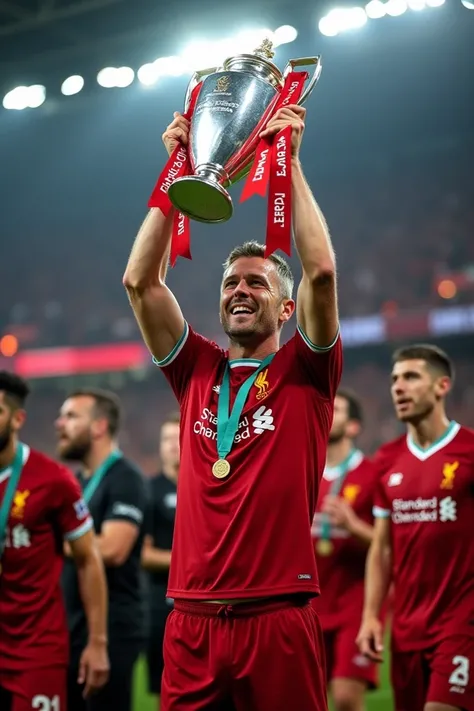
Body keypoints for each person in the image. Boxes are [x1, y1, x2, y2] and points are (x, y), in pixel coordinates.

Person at [123, 103, 342, 711]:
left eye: (257, 284)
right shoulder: (196, 369)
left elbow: (320, 271)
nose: (240, 291)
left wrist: (290, 163)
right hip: (190, 619)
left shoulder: (306, 371)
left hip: (276, 615)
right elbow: (141, 282)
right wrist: (177, 170)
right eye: (230, 284)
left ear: (285, 308)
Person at [357, 344, 474, 711]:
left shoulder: (470, 451)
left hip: (462, 622)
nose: (398, 388)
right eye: (394, 380)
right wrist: (371, 617)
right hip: (406, 630)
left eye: (411, 377)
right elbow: (382, 548)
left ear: (441, 386)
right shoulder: (387, 460)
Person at [0, 371, 109, 711]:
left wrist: (97, 642)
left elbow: (88, 558)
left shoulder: (52, 480)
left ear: (17, 419)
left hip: (34, 650)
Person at [56, 387, 147, 711]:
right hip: (75, 627)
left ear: (99, 426)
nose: (59, 424)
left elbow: (112, 548)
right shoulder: (77, 482)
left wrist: (48, 541)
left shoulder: (126, 478)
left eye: (71, 416)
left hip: (112, 631)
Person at [312, 388, 379, 711]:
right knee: (304, 698)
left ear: (353, 426)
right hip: (308, 602)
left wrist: (353, 526)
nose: (328, 414)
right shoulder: (304, 472)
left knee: (346, 698)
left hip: (355, 601)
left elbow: (389, 544)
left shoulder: (372, 474)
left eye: (336, 410)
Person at [142, 412, 180, 703]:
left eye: (176, 438)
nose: (171, 445)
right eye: (165, 439)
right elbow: (144, 554)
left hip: (205, 599)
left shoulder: (209, 485)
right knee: (163, 688)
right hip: (159, 601)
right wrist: (192, 561)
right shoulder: (148, 490)